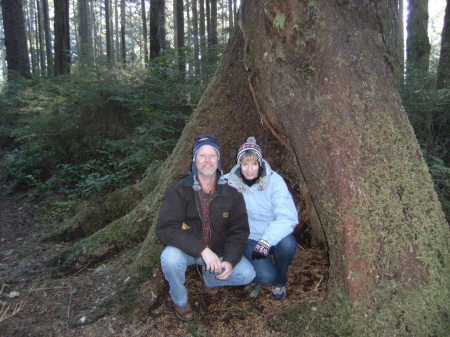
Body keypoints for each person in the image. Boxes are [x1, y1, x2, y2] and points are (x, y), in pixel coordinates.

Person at [157, 135, 255, 321]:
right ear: (194, 159)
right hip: (187, 250)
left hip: (217, 252)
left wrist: (230, 260)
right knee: (169, 258)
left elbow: (239, 231)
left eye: (212, 155)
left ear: (218, 160)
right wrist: (201, 250)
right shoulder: (179, 189)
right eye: (202, 155)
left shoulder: (232, 193)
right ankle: (180, 301)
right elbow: (167, 228)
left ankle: (210, 279)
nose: (208, 160)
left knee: (247, 274)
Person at [226, 137, 298, 300]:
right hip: (249, 238)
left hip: (272, 235)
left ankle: (280, 281)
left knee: (288, 244)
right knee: (265, 278)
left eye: (254, 164)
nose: (250, 169)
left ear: (260, 163)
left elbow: (287, 217)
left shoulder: (274, 181)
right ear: (239, 164)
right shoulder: (230, 182)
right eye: (245, 164)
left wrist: (266, 241)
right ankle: (256, 267)